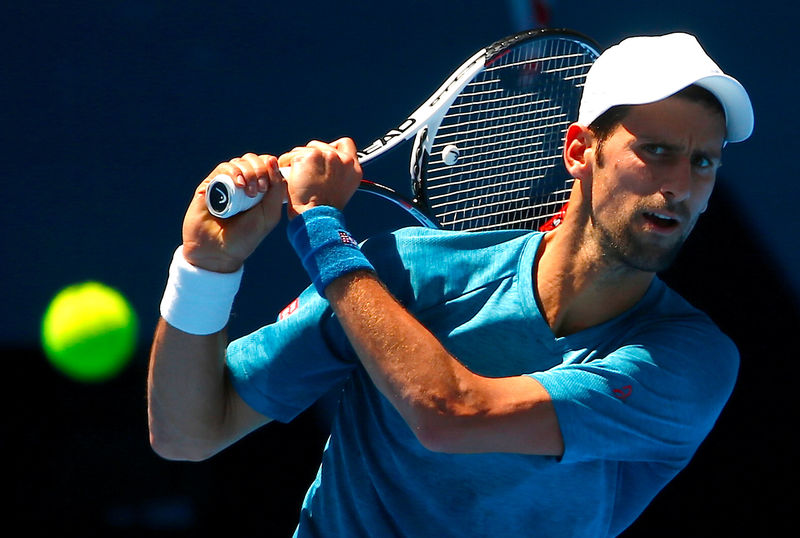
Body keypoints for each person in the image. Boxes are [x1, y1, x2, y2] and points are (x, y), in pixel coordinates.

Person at [148, 32, 753, 537]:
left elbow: (453, 415)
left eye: (703, 162)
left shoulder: (689, 361)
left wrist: (322, 232)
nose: (680, 183)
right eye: (656, 151)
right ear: (578, 151)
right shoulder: (405, 275)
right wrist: (205, 267)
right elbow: (187, 432)